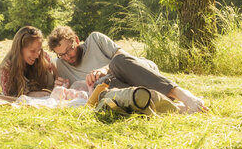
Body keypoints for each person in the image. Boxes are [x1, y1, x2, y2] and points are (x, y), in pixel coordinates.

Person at [47, 26, 208, 113]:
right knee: (102, 88)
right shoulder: (60, 65)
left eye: (70, 50)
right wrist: (58, 82)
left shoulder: (95, 39)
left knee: (116, 62)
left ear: (76, 40)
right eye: (62, 55)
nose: (68, 57)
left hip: (137, 71)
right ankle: (174, 107)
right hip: (122, 87)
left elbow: (123, 56)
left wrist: (105, 69)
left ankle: (184, 96)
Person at [0, 26, 56, 98]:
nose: (37, 55)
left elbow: (53, 83)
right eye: (32, 51)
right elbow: (8, 96)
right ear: (20, 49)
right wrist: (29, 94)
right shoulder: (6, 68)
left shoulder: (43, 58)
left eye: (39, 50)